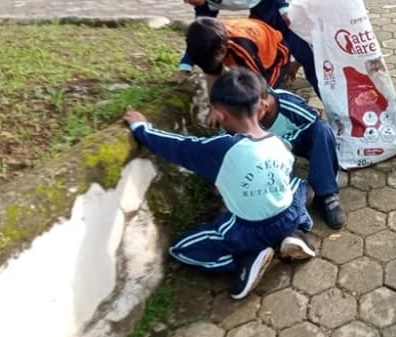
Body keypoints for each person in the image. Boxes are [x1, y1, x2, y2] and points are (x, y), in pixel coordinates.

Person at [122, 68, 316, 300]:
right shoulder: (280, 143)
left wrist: (141, 128)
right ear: (261, 105)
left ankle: (248, 257)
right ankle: (293, 233)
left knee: (181, 248)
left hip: (247, 230)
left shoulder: (220, 149)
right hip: (288, 215)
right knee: (297, 183)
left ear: (221, 114)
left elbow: (177, 146)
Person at [160, 0, 320, 97]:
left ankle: (329, 103)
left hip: (280, 0)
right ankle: (270, 89)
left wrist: (284, 7)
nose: (185, 2)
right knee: (267, 51)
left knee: (306, 52)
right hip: (260, 9)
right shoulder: (206, 3)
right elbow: (200, 35)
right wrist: (185, 68)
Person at [259, 85, 347, 229]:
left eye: (249, 112)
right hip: (267, 152)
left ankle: (326, 195)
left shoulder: (288, 104)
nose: (246, 117)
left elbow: (314, 121)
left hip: (298, 141)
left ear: (264, 106)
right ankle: (286, 208)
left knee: (322, 131)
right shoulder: (243, 113)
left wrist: (285, 142)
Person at [186, 17, 293, 92]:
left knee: (268, 90)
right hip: (252, 43)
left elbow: (259, 83)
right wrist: (214, 108)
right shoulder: (207, 47)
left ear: (223, 50)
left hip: (276, 52)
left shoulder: (241, 48)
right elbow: (212, 74)